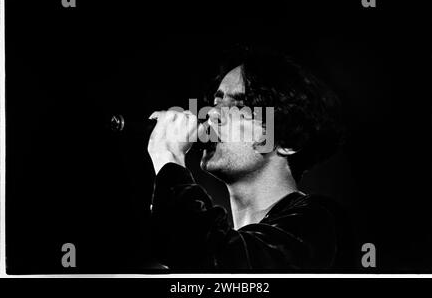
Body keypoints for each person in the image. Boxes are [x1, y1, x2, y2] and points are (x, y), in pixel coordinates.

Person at [147, 47, 353, 271]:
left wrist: (169, 156)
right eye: (216, 103)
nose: (212, 113)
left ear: (288, 142)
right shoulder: (236, 243)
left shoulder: (317, 225)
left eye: (240, 106)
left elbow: (219, 266)